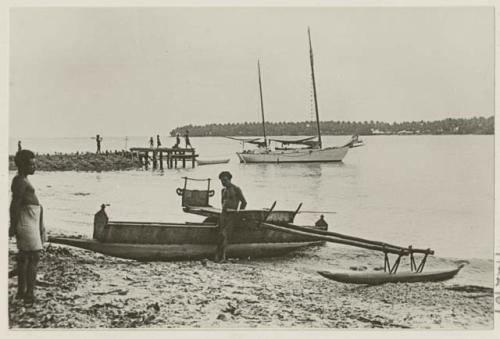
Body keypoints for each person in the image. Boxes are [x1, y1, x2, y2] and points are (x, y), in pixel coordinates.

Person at [9, 150, 46, 304]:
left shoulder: (23, 179)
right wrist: (13, 224)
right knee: (33, 256)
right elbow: (15, 204)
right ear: (23, 165)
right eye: (31, 164)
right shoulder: (20, 181)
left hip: (29, 220)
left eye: (35, 163)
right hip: (26, 221)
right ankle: (29, 293)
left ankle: (22, 292)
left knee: (25, 257)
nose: (34, 166)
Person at [215, 171, 247, 262]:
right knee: (220, 235)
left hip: (232, 215)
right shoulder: (223, 190)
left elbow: (244, 202)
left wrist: (239, 213)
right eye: (221, 181)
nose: (223, 182)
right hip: (223, 215)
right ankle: (218, 256)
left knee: (225, 235)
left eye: (225, 180)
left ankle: (223, 257)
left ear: (229, 179)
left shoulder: (236, 189)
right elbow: (222, 202)